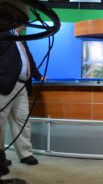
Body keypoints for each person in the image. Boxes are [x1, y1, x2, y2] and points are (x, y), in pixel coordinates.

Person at [0, 26, 43, 165]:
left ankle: (25, 154)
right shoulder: (3, 33)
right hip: (4, 85)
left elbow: (28, 59)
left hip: (22, 87)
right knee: (0, 123)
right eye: (23, 20)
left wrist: (38, 76)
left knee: (23, 121)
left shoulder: (21, 39)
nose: (26, 24)